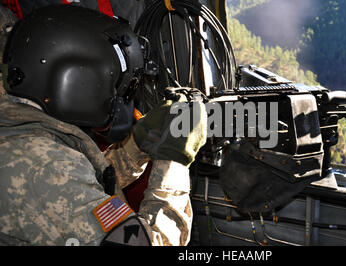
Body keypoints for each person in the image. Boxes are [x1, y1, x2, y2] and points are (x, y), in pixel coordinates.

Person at [0, 4, 207, 246]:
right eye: (114, 83)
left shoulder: (24, 138)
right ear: (79, 81)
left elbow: (77, 189)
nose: (118, 96)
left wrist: (136, 147)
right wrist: (174, 161)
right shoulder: (44, 167)